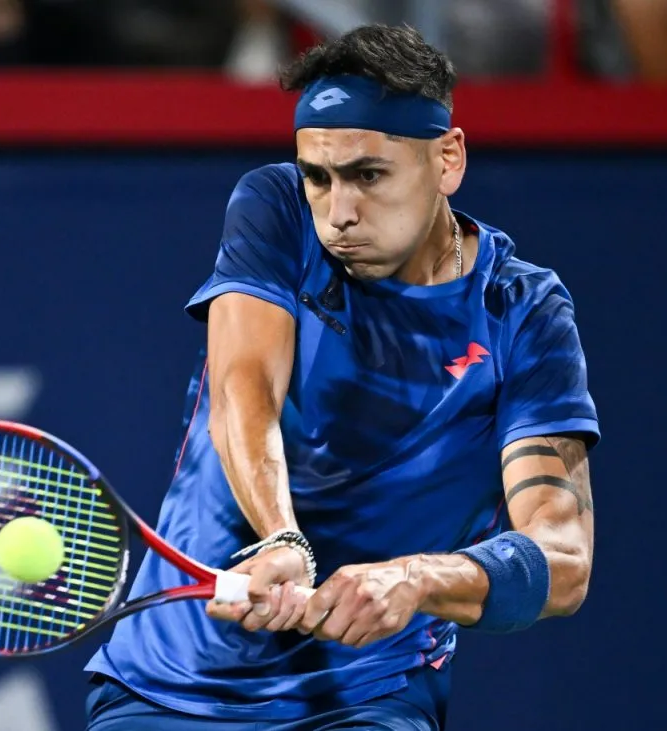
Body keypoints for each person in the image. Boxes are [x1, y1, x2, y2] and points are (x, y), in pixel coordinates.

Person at [83, 22, 599, 731]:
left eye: (369, 175)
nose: (339, 212)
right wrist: (282, 539)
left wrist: (415, 578)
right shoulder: (276, 211)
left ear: (448, 160)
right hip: (166, 687)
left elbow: (563, 557)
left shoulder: (522, 311)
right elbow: (243, 395)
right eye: (319, 177)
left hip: (368, 697)